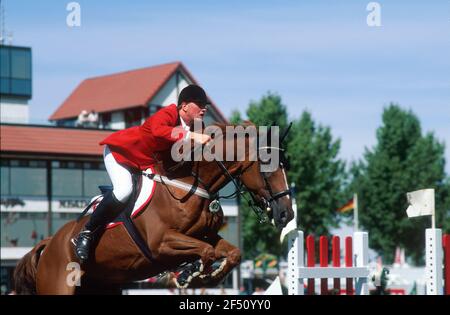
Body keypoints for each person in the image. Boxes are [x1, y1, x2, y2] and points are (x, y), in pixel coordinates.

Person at [71, 84, 211, 262]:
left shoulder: (198, 127)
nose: (204, 108)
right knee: (124, 190)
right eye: (199, 104)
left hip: (146, 163)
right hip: (121, 154)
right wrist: (191, 137)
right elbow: (158, 131)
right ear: (184, 106)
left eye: (205, 105)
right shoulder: (169, 113)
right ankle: (86, 233)